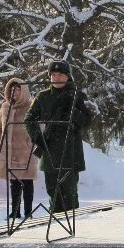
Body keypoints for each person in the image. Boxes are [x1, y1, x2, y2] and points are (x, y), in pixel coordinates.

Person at [25, 60, 95, 214]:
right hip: (49, 149)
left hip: (70, 151)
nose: (56, 78)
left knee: (69, 194)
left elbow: (87, 120)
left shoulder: (76, 95)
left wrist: (73, 112)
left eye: (60, 74)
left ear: (67, 76)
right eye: (53, 75)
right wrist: (39, 138)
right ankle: (56, 226)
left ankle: (71, 229)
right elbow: (29, 119)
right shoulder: (42, 97)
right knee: (53, 192)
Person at [0, 77, 37, 219]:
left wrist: (31, 144)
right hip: (10, 152)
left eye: (17, 90)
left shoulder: (31, 106)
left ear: (23, 91)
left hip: (25, 152)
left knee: (27, 182)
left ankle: (28, 212)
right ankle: (15, 211)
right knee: (14, 183)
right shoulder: (5, 107)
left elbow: (39, 127)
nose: (14, 93)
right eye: (12, 90)